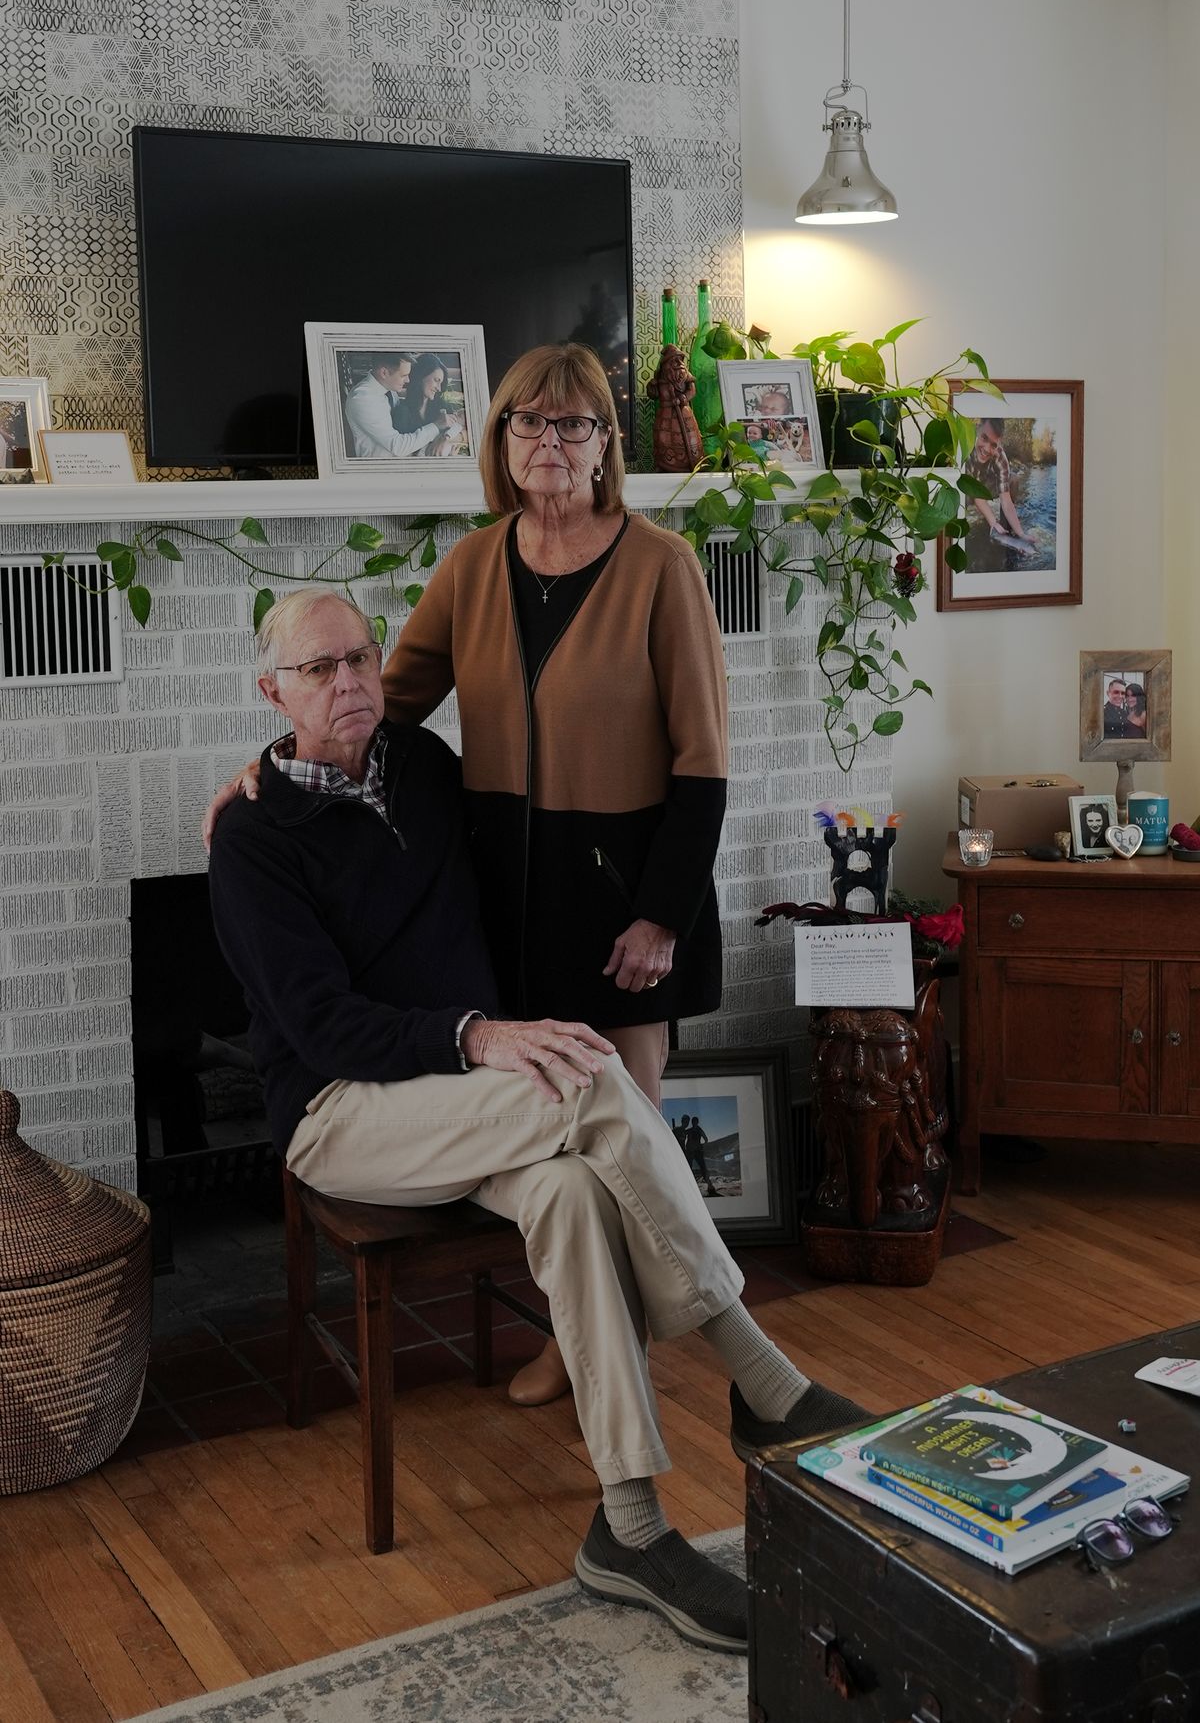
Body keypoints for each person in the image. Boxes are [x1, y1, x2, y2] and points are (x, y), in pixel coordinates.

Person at [207, 588, 870, 1656]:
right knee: (587, 1075)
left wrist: (649, 907)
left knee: (566, 1187)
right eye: (320, 668)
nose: (350, 682)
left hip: (463, 1100)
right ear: (272, 690)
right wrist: (480, 1034)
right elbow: (321, 1026)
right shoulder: (250, 838)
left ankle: (630, 1524)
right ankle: (762, 1379)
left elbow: (549, 836)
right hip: (340, 1112)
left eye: (363, 658)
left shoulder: (423, 768)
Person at [203, 341, 732, 1413]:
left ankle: (637, 1334)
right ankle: (598, 1341)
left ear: (603, 444)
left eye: (572, 424)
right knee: (574, 1129)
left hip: (630, 899)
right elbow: (369, 696)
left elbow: (705, 760)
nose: (549, 442)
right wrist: (264, 765)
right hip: (514, 898)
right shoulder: (473, 564)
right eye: (528, 424)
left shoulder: (662, 565)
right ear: (501, 443)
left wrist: (660, 915)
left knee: (622, 1114)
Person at [342, 354, 452, 460]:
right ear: (384, 373)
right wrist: (436, 426)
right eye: (403, 375)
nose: (408, 380)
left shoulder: (388, 389)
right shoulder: (363, 398)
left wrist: (446, 437)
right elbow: (398, 447)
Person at [963, 418, 1037, 560]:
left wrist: (1021, 534)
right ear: (978, 428)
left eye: (993, 445)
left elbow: (1006, 500)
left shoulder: (1000, 456)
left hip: (985, 486)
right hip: (966, 488)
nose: (986, 449)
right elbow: (974, 492)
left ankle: (1004, 530)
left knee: (1013, 479)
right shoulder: (966, 448)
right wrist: (992, 521)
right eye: (984, 438)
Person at [391, 351, 463, 457]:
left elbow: (463, 429)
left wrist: (445, 439)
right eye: (436, 380)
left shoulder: (443, 406)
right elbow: (403, 452)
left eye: (441, 383)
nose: (438, 388)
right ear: (421, 376)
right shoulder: (402, 412)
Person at [682, 1115, 716, 1196]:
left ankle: (710, 1186)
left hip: (696, 1152)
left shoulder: (698, 1130)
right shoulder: (690, 1130)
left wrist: (700, 1146)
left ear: (696, 1122)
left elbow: (706, 1139)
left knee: (703, 1168)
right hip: (691, 1152)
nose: (694, 1123)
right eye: (693, 1122)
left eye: (695, 1122)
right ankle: (688, 1187)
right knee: (689, 1169)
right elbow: (683, 1134)